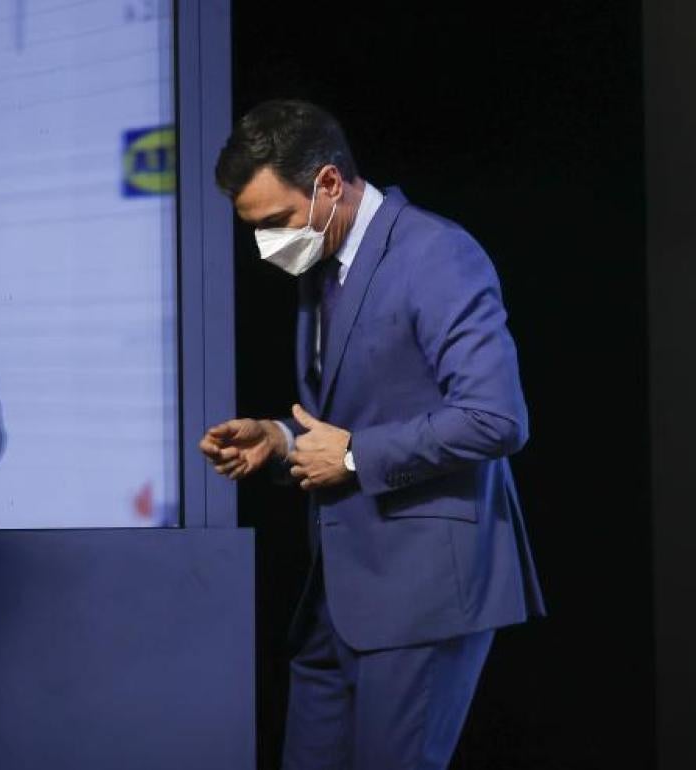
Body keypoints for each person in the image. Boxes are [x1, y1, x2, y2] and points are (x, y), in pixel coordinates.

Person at [198, 100, 544, 769]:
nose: (267, 245)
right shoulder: (323, 263)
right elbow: (357, 411)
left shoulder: (437, 254)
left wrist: (355, 455)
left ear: (328, 182)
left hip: (422, 592)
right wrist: (280, 439)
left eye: (275, 222)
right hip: (335, 598)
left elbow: (496, 417)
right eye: (255, 229)